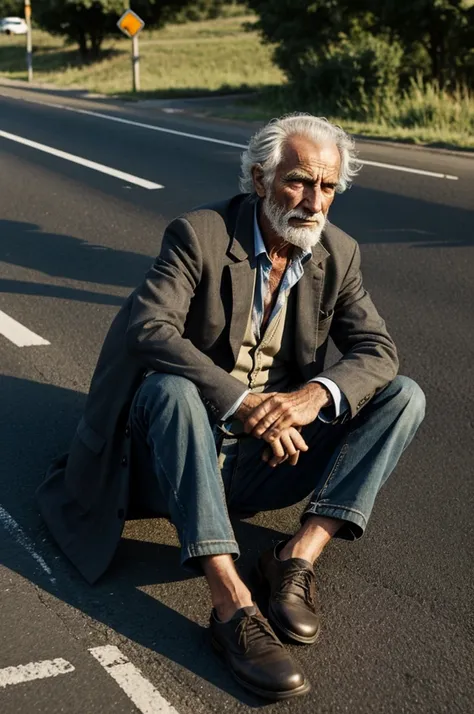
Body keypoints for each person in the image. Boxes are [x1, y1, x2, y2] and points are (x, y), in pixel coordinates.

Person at [38, 113, 425, 701]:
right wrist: (241, 402)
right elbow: (149, 329)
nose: (314, 202)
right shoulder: (198, 234)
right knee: (169, 389)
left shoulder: (337, 254)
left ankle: (296, 555)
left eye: (328, 187)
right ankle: (230, 604)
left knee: (404, 396)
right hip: (175, 457)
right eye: (298, 181)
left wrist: (310, 397)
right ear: (258, 178)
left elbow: (379, 350)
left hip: (270, 459)